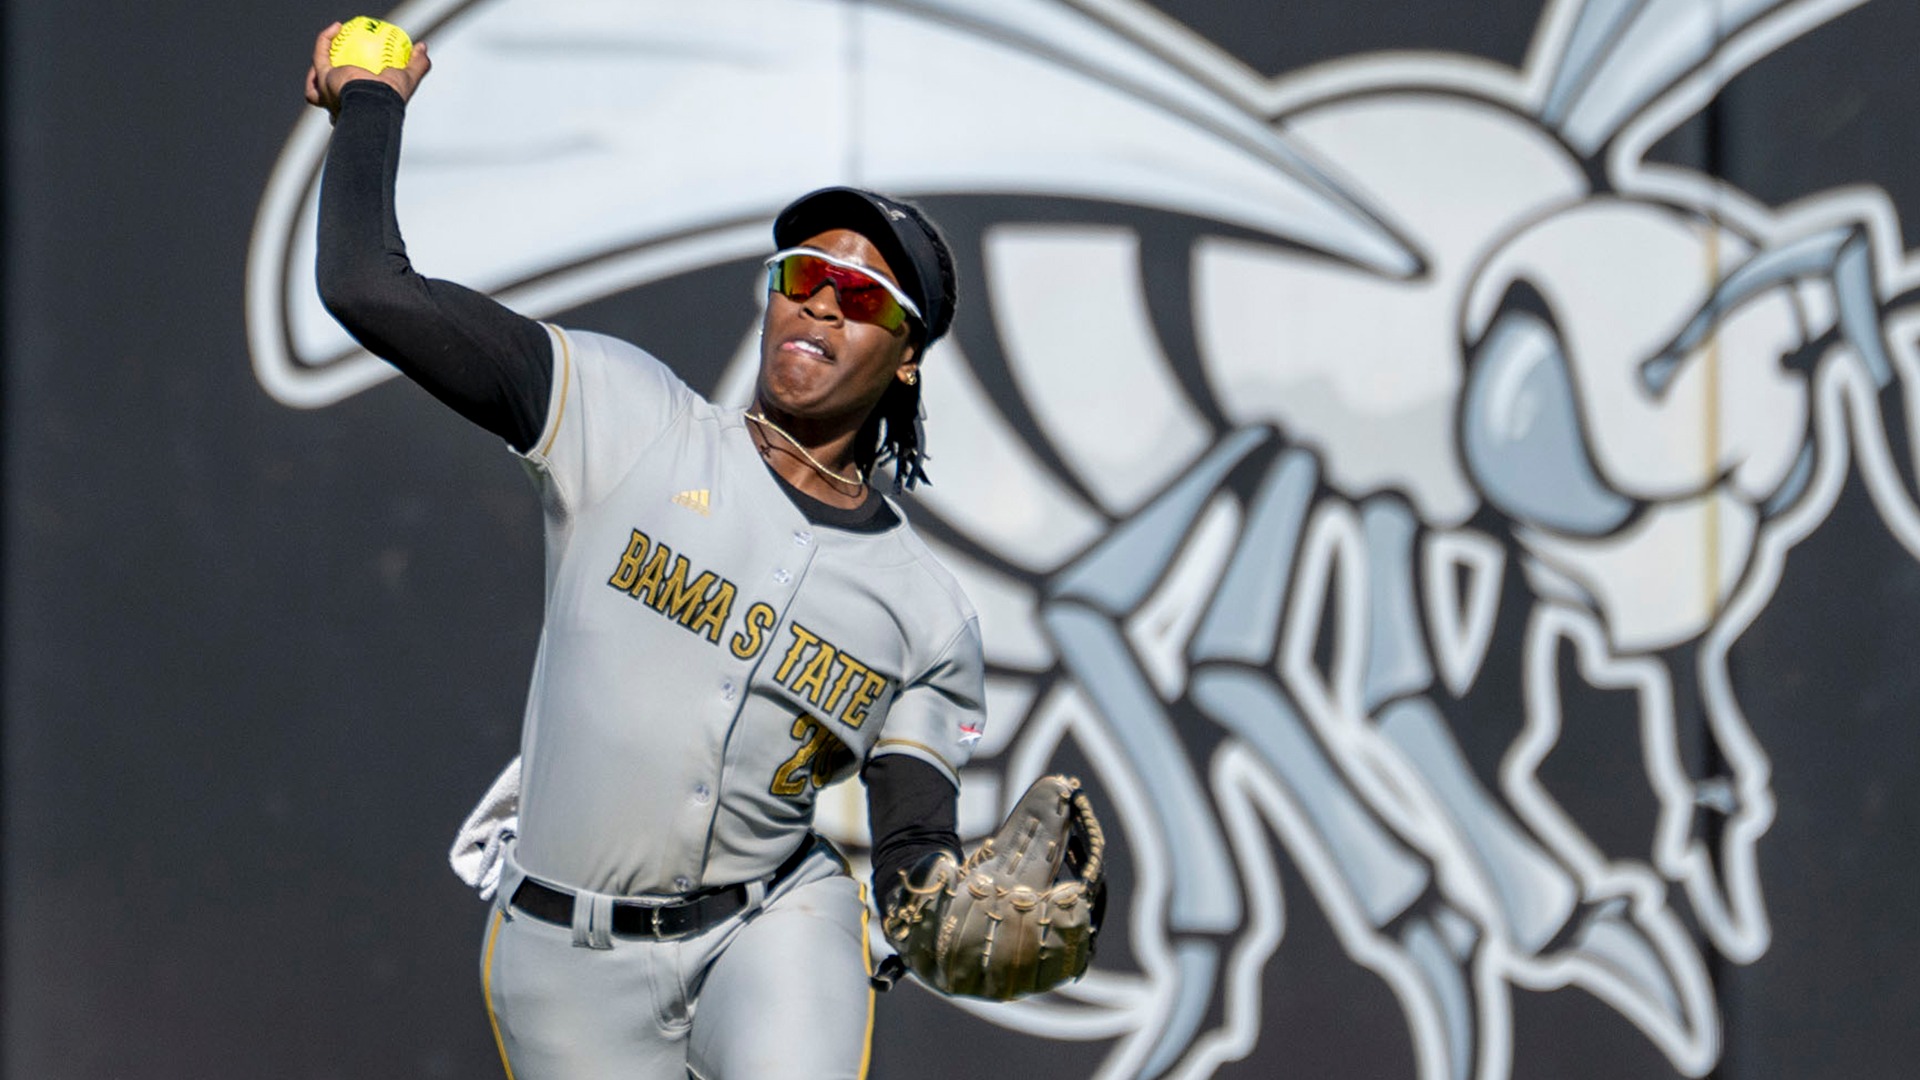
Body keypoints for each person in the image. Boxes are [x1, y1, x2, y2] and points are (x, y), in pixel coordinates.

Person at [303, 22, 983, 1079]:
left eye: (860, 297)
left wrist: (949, 919)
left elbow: (910, 846)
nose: (818, 299)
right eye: (801, 272)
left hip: (773, 926)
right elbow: (367, 287)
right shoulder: (623, 418)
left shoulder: (925, 610)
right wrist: (369, 103)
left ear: (906, 357)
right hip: (562, 957)